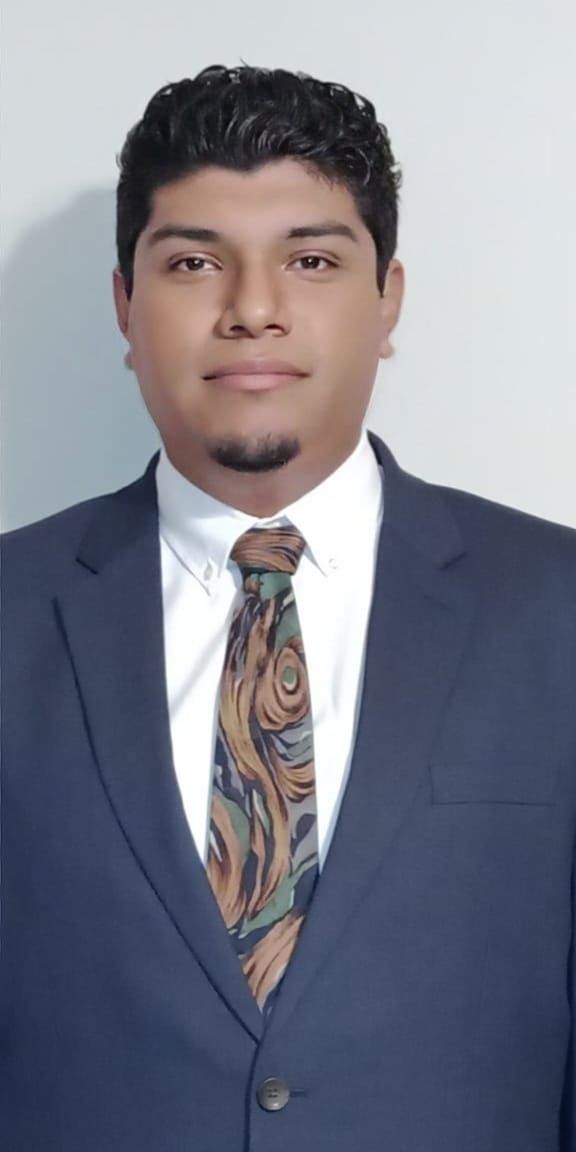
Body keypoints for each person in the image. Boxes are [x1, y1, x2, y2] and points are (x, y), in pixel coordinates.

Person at [1, 63, 575, 1152]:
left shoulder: (556, 610)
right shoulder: (13, 611)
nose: (253, 309)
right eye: (193, 262)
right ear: (125, 306)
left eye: (311, 260)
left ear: (388, 299)